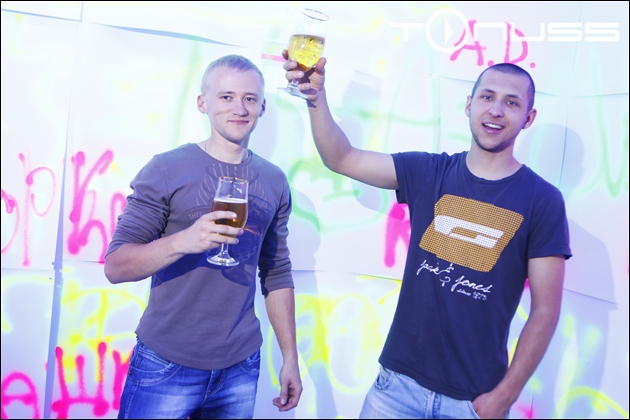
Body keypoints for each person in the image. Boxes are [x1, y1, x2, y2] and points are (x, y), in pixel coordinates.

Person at [282, 54, 571, 419]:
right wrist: (315, 98)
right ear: (468, 105)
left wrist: (504, 397)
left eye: (511, 102)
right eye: (487, 97)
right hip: (395, 389)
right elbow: (341, 158)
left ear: (528, 117)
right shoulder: (428, 172)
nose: (496, 110)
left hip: (474, 401)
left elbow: (545, 310)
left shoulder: (542, 200)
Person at [104, 54, 302, 419]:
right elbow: (116, 266)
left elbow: (276, 272)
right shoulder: (166, 168)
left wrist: (290, 357)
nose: (239, 108)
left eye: (249, 98)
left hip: (241, 365)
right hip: (166, 362)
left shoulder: (274, 180)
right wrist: (183, 241)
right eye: (226, 96)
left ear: (262, 106)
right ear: (202, 103)